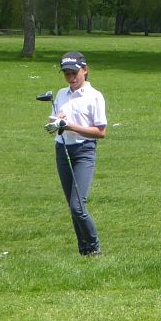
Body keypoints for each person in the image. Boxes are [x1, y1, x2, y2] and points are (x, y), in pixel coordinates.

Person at [45, 51, 107, 256]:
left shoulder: (94, 96)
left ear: (85, 70)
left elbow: (100, 132)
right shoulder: (61, 94)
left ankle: (94, 248)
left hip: (83, 150)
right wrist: (56, 122)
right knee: (72, 206)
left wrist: (70, 126)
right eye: (67, 74)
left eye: (74, 73)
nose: (71, 78)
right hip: (62, 149)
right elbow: (56, 123)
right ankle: (84, 251)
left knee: (77, 205)